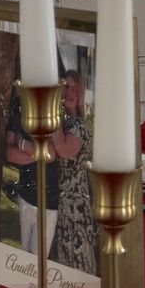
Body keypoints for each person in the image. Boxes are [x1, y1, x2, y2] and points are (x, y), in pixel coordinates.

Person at [47, 71, 98, 277]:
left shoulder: (79, 126)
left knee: (78, 260)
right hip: (62, 202)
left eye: (73, 88)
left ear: (80, 94)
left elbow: (63, 149)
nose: (68, 92)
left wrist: (51, 112)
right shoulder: (66, 123)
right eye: (64, 87)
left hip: (76, 205)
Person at [3, 85, 60, 254]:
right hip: (25, 198)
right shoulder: (18, 117)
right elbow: (9, 153)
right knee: (22, 257)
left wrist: (22, 144)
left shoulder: (52, 118)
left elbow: (51, 154)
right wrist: (40, 153)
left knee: (38, 258)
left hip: (48, 203)